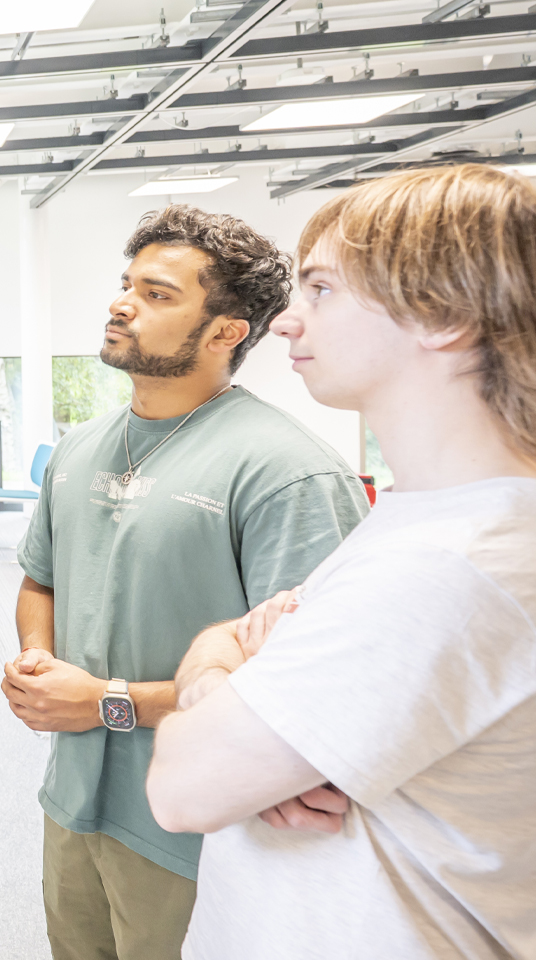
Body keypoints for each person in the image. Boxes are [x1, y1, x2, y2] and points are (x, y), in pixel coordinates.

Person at [148, 164, 536, 959]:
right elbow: (231, 653)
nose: (288, 321)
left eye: (322, 289)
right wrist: (230, 675)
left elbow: (182, 786)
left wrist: (216, 676)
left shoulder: (445, 567)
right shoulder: (424, 519)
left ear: (442, 313)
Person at [4, 205, 367, 960]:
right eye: (127, 284)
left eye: (158, 294)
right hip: (73, 803)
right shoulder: (79, 448)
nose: (122, 304)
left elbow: (309, 691)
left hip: (200, 832)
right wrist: (39, 663)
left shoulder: (286, 473)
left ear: (226, 332)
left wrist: (106, 703)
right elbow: (40, 579)